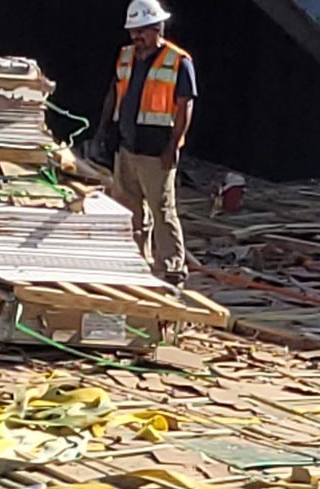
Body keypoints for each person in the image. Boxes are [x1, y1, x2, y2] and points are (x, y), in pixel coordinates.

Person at [101, 0, 197, 286]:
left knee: (161, 209)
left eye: (142, 31)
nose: (136, 38)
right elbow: (114, 93)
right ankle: (135, 259)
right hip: (127, 145)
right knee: (129, 207)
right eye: (133, 32)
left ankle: (171, 268)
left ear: (158, 28)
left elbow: (184, 107)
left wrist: (173, 146)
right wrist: (104, 131)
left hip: (156, 149)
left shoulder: (178, 61)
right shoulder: (126, 56)